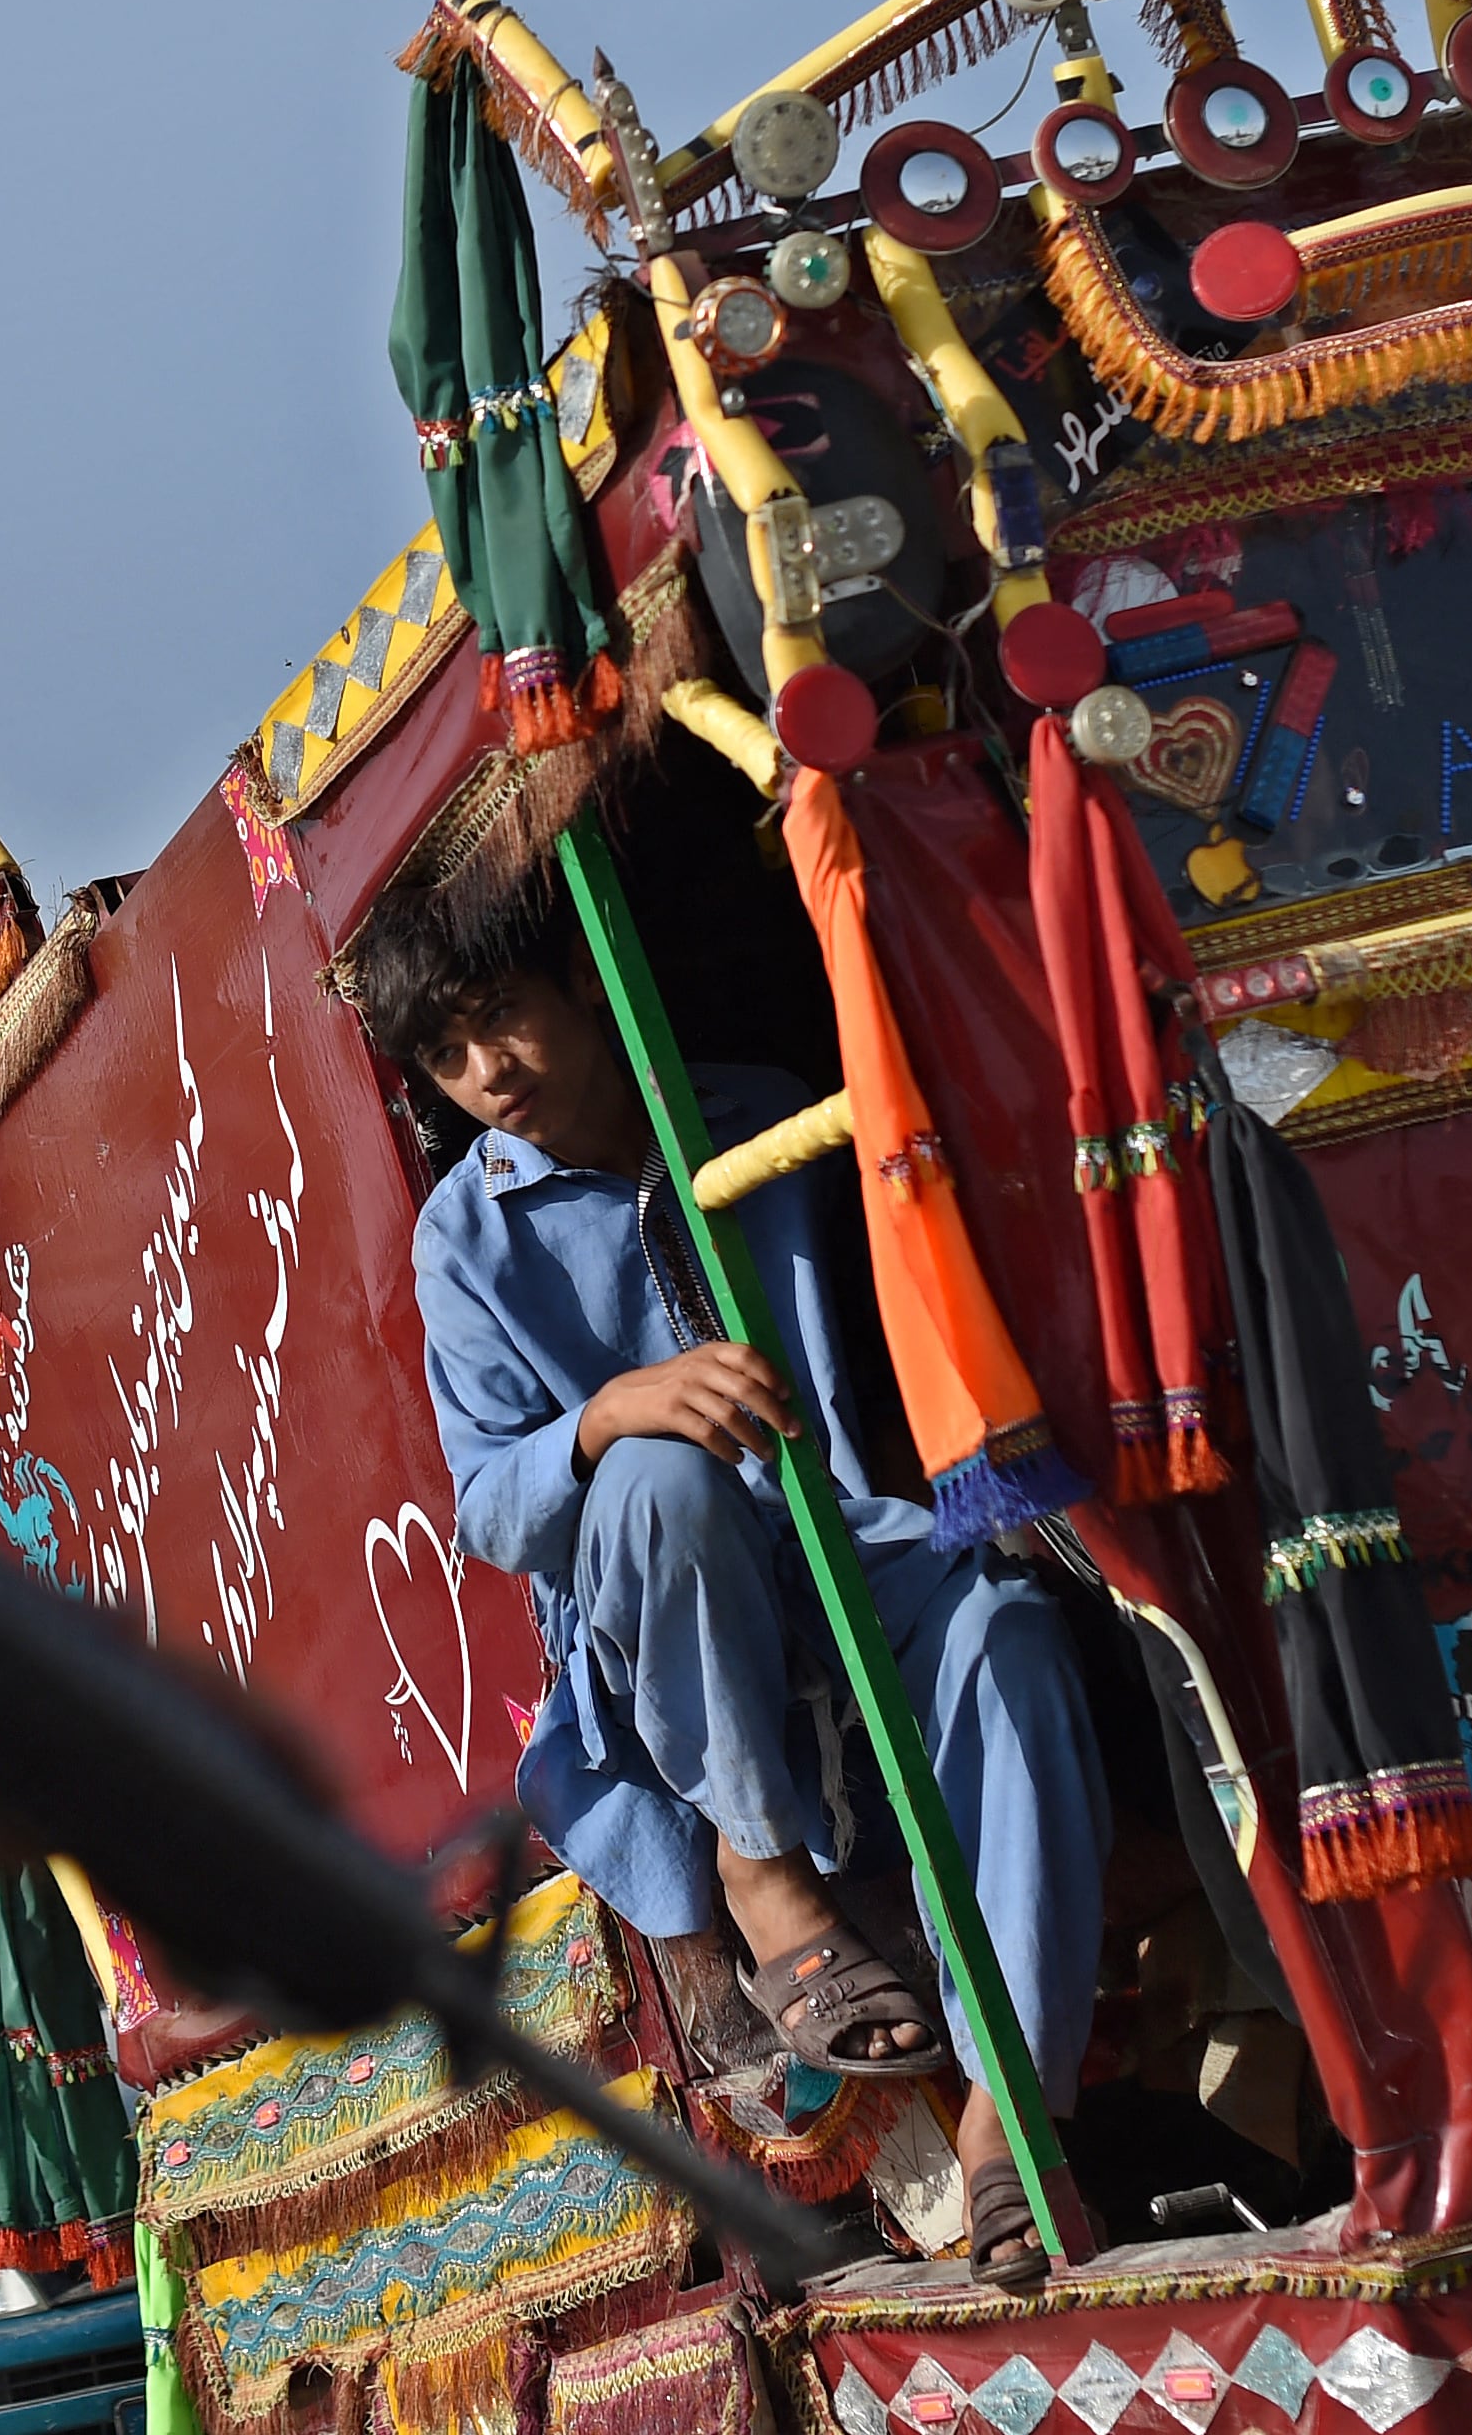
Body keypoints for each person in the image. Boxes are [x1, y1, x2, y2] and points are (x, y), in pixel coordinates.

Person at [357, 877, 1109, 2281]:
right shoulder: (464, 1237)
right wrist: (609, 1414)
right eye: (447, 1055)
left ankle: (1015, 2119)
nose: (488, 1073)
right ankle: (758, 1865)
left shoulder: (763, 1115)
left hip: (853, 1544)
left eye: (501, 1017)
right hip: (657, 1617)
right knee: (660, 1477)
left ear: (583, 981)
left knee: (1008, 1632)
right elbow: (490, 1511)